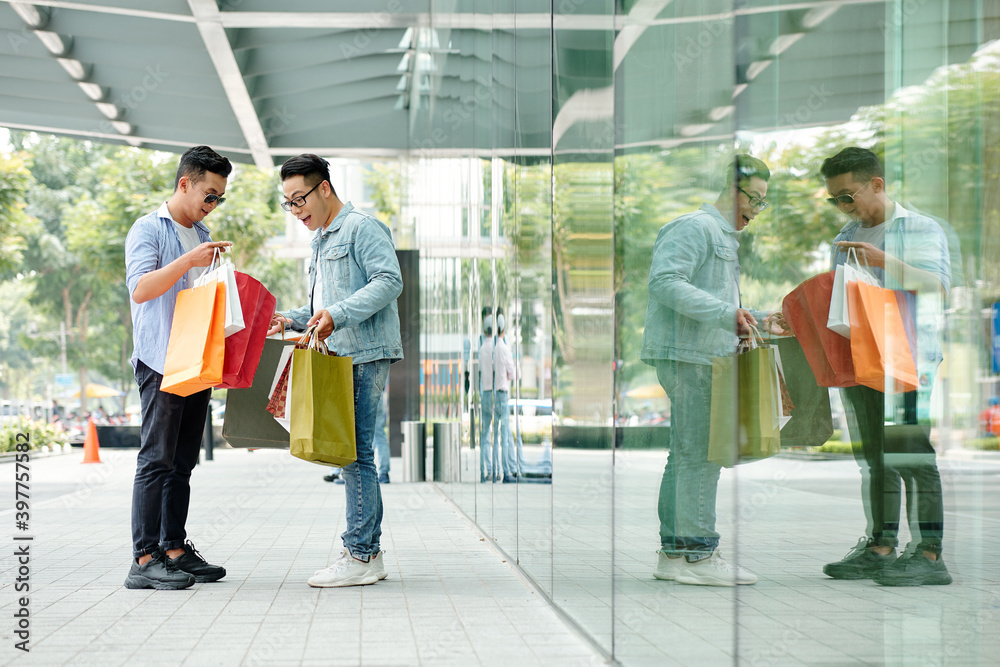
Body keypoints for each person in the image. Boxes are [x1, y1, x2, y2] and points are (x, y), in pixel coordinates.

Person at [267, 154, 402, 588]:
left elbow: (388, 280)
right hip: (342, 355)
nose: (296, 210)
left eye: (300, 198)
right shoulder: (321, 240)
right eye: (288, 203)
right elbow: (318, 307)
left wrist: (338, 315)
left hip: (365, 352)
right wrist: (288, 320)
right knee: (352, 453)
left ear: (324, 187)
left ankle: (361, 554)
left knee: (356, 453)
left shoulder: (362, 228)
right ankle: (366, 552)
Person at [819, 146, 952, 586]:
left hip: (905, 359)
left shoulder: (918, 228)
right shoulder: (847, 233)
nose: (843, 206)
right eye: (835, 198)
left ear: (876, 184)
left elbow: (936, 286)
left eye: (847, 195)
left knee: (911, 456)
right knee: (875, 459)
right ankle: (879, 547)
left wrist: (883, 262)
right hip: (861, 358)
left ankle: (929, 556)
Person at [641, 155, 775, 587]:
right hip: (689, 355)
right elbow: (664, 281)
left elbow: (715, 301)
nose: (755, 210)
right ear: (729, 189)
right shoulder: (695, 227)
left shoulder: (720, 236)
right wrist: (726, 313)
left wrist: (755, 317)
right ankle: (699, 556)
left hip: (699, 353)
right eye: (752, 198)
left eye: (761, 202)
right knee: (701, 455)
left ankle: (675, 555)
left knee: (686, 455)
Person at [123, 145, 234, 590]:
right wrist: (189, 260)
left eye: (219, 197)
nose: (213, 203)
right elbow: (141, 289)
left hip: (197, 363)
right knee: (156, 460)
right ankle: (143, 559)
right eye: (209, 194)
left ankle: (173, 549)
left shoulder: (202, 231)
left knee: (183, 462)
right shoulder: (147, 229)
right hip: (162, 362)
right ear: (184, 183)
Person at [479, 310, 516, 483]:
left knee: (486, 435)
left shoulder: (483, 349)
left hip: (486, 394)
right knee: (503, 435)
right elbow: (513, 374)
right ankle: (505, 470)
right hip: (501, 394)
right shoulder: (503, 349)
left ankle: (487, 471)